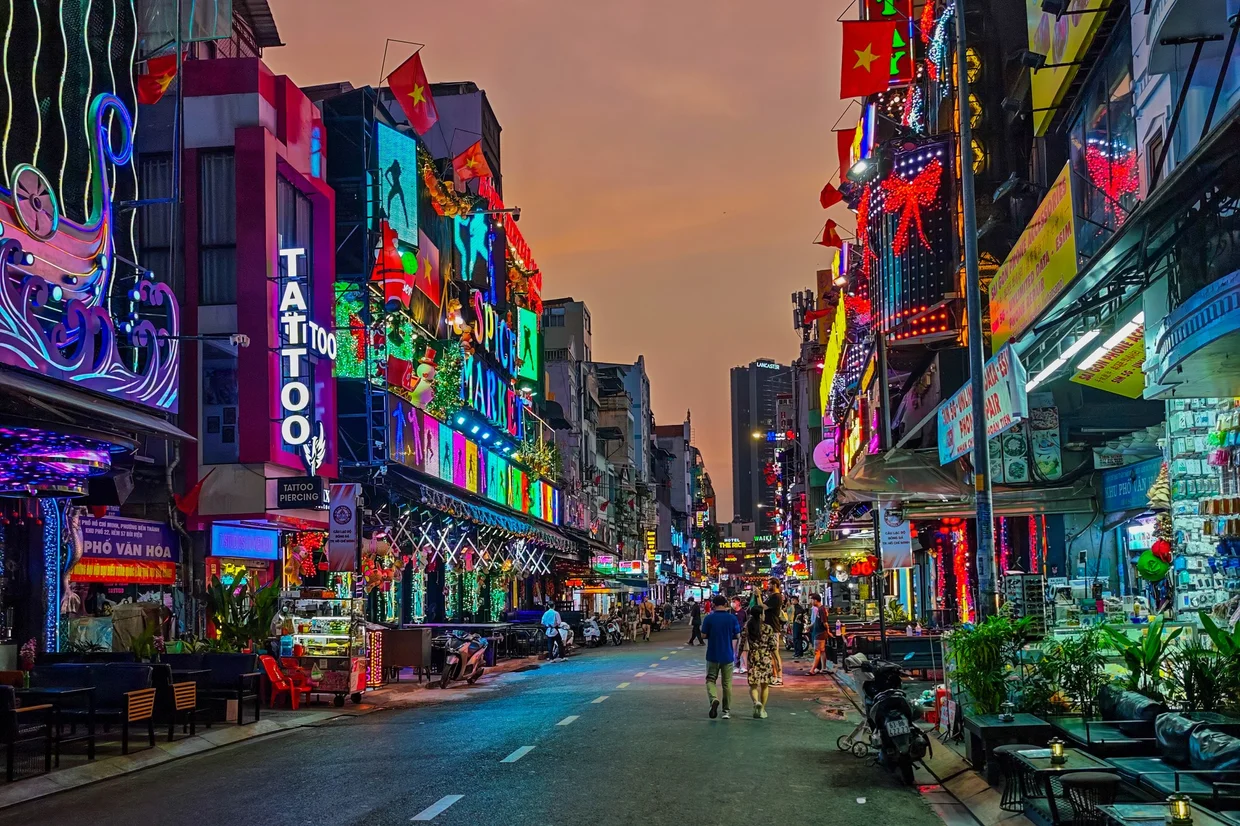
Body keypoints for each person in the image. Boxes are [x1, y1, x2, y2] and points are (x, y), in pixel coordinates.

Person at [700, 595, 741, 719]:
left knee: (711, 680)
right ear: (726, 603)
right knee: (727, 683)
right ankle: (726, 711)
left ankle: (713, 699)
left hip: (712, 655)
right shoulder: (732, 618)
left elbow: (703, 635)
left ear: (713, 604)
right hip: (728, 655)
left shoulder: (709, 618)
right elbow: (738, 635)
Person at [745, 605, 778, 718]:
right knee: (765, 685)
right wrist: (777, 660)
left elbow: (742, 643)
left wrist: (738, 657)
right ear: (760, 615)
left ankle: (755, 702)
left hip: (753, 658)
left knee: (753, 685)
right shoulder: (768, 628)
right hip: (766, 659)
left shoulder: (748, 626)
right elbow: (773, 646)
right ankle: (762, 709)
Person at [765, 579, 785, 686]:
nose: (768, 586)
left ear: (775, 585)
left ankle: (779, 678)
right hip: (770, 628)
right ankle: (774, 676)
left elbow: (763, 607)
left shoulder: (776, 597)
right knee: (771, 655)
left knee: (775, 654)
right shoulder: (773, 596)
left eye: (769, 584)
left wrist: (758, 596)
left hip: (774, 628)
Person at [809, 593, 830, 674]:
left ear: (815, 600)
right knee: (822, 651)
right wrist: (809, 626)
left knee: (817, 651)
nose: (811, 601)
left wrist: (828, 631)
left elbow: (825, 622)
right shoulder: (819, 609)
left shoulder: (821, 609)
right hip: (819, 632)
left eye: (812, 599)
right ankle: (823, 668)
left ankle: (812, 670)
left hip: (820, 633)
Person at [731, 596, 749, 674]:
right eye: (732, 601)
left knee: (743, 650)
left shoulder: (743, 612)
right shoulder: (729, 612)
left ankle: (743, 666)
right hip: (733, 634)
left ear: (738, 602)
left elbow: (745, 622)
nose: (732, 603)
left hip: (741, 634)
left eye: (734, 601)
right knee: (734, 651)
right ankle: (736, 666)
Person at [790, 595, 807, 660]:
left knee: (797, 638)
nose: (792, 601)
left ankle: (798, 653)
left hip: (798, 624)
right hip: (796, 624)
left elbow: (799, 616)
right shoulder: (795, 607)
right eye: (792, 600)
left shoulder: (798, 608)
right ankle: (798, 652)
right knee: (797, 638)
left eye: (793, 600)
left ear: (797, 600)